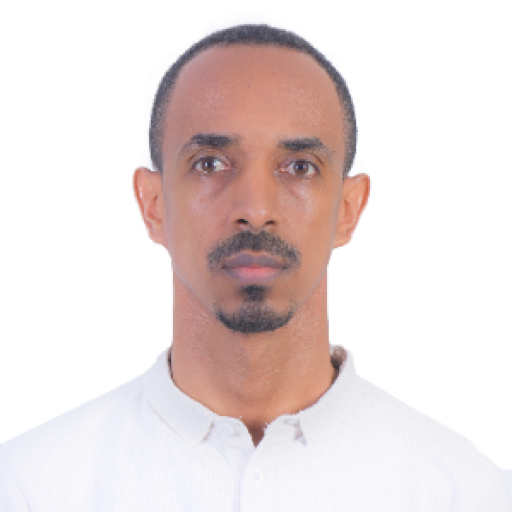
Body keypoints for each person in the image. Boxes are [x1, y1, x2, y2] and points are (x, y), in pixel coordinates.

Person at [0, 24, 510, 512]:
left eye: (300, 167)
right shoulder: (30, 491)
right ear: (153, 205)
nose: (256, 208)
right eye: (210, 163)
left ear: (349, 210)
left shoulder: (466, 496)